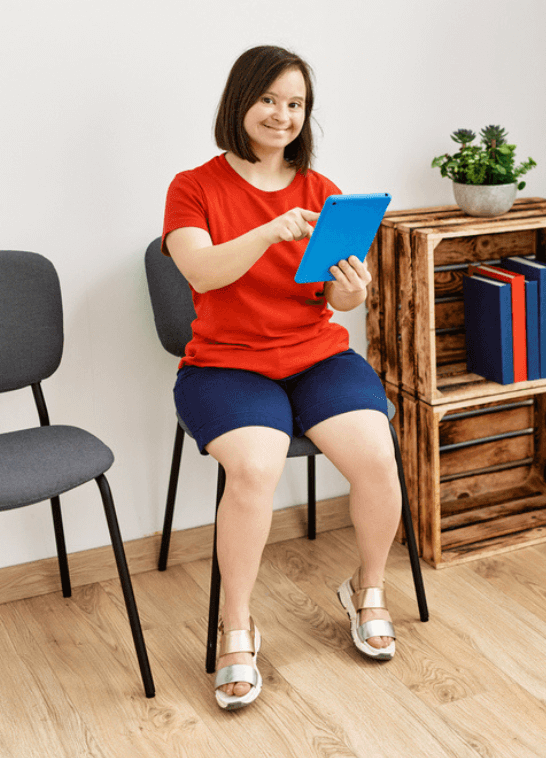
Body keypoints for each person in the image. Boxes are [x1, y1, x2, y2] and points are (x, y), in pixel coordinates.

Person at [162, 45, 402, 711]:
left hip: (314, 354)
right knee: (256, 470)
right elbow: (203, 273)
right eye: (270, 99)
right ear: (241, 101)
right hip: (226, 364)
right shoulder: (194, 187)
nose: (282, 115)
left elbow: (335, 298)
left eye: (295, 104)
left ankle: (368, 588)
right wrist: (269, 231)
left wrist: (353, 291)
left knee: (377, 453)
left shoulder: (323, 192)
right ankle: (236, 627)